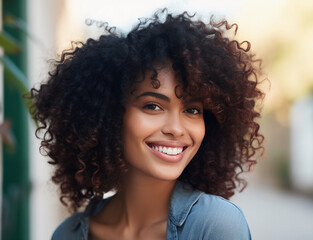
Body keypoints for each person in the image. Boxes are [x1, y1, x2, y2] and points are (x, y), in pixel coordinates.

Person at [30, 9, 264, 240]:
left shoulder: (215, 225)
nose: (176, 128)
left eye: (192, 110)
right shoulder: (67, 235)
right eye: (153, 106)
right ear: (109, 115)